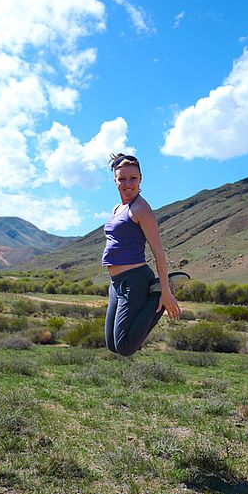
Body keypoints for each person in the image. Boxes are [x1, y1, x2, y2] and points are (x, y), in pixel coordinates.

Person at [102, 153, 190, 357]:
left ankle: (157, 294)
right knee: (112, 345)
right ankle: (157, 292)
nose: (127, 183)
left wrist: (167, 293)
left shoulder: (141, 209)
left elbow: (158, 250)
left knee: (125, 347)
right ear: (115, 180)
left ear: (140, 178)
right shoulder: (117, 208)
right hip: (117, 283)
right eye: (122, 178)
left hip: (135, 279)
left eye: (133, 178)